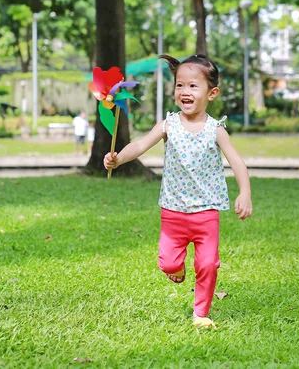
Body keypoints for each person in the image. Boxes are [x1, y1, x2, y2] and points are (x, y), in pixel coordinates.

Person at [104, 54, 252, 328]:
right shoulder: (168, 125)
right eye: (180, 85)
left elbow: (237, 162)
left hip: (207, 212)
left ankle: (201, 313)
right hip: (173, 211)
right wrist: (119, 158)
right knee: (168, 264)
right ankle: (177, 268)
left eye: (193, 86)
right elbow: (139, 145)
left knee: (208, 264)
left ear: (212, 93)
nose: (185, 91)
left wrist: (245, 193)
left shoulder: (215, 130)